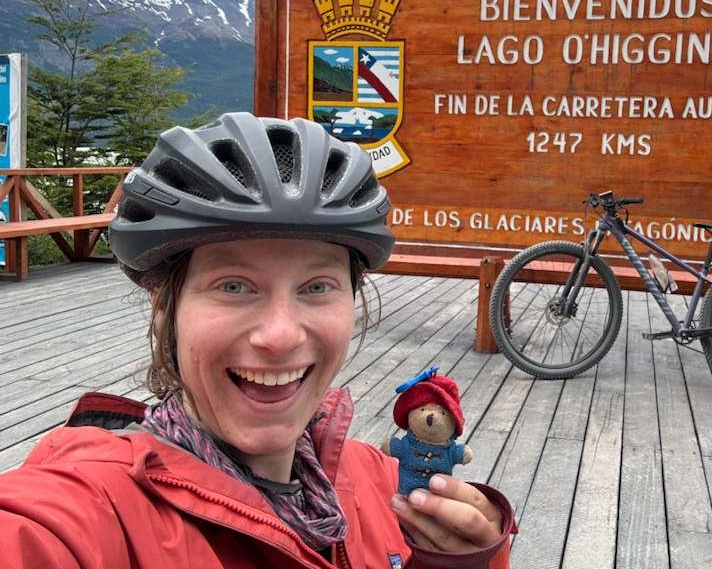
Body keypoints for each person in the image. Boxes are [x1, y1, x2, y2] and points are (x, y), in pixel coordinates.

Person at [0, 112, 514, 568]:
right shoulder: (92, 511)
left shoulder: (383, 483)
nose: (280, 335)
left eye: (317, 286)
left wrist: (462, 562)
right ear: (166, 309)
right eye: (233, 286)